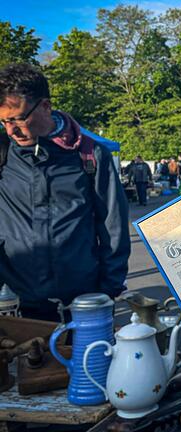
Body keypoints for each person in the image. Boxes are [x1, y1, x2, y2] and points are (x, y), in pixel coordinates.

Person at [0, 63, 129, 321]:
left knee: (88, 363)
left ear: (45, 107)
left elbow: (113, 224)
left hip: (84, 304)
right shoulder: (3, 152)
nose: (11, 130)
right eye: (3, 121)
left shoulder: (90, 155)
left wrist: (108, 289)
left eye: (18, 118)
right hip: (21, 306)